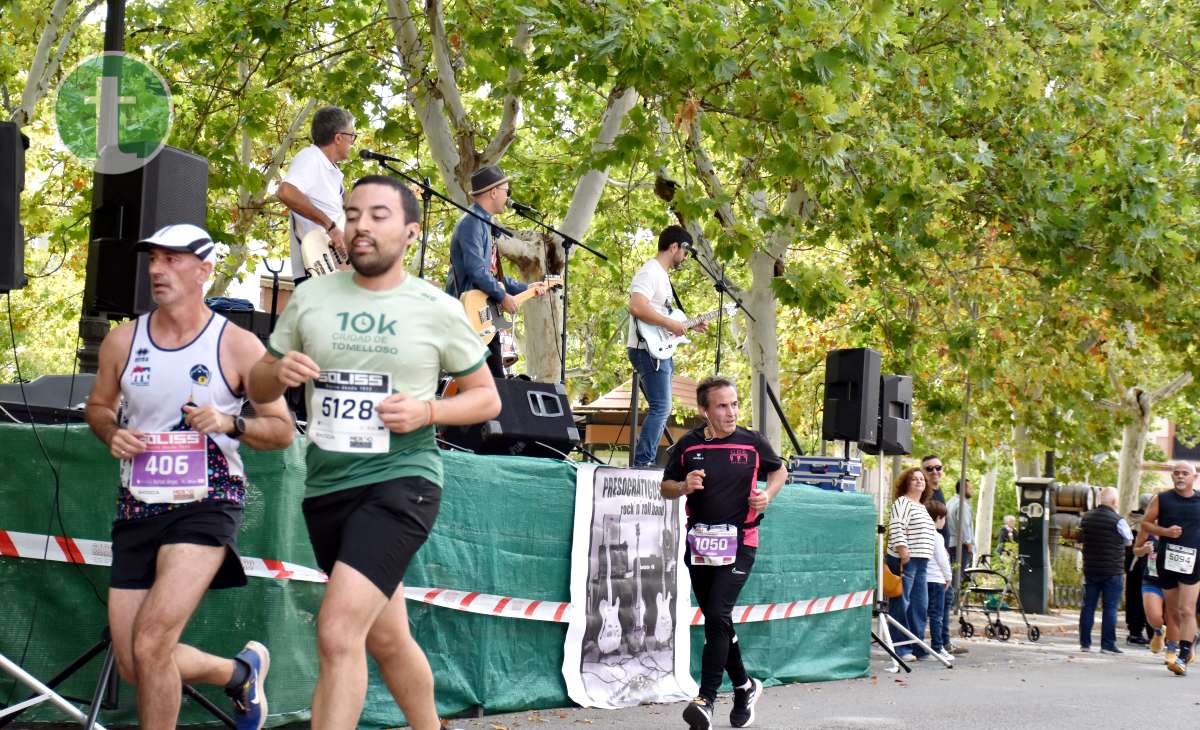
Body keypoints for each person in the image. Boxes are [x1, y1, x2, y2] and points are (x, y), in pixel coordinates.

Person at [248, 175, 501, 729]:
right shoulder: (312, 296)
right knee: (388, 637)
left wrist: (428, 411)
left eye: (379, 214)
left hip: (402, 479)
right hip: (327, 487)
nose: (362, 224)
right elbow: (258, 388)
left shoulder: (435, 307)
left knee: (339, 632)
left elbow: (486, 399)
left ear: (411, 231)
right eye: (353, 212)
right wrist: (276, 371)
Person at [84, 224, 295, 730]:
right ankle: (238, 673)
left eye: (173, 259)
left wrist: (229, 422)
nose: (158, 269)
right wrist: (110, 431)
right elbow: (97, 407)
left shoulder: (239, 346)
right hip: (138, 504)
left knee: (152, 642)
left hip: (208, 500)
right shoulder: (122, 340)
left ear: (204, 270)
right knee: (138, 662)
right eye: (153, 259)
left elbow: (283, 431)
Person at [660, 376, 785, 729]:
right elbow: (665, 487)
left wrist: (767, 495)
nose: (730, 412)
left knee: (717, 613)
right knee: (718, 619)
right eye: (722, 406)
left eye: (734, 404)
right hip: (699, 544)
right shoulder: (688, 445)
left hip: (740, 542)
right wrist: (684, 485)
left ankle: (706, 698)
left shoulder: (752, 442)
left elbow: (780, 471)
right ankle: (744, 686)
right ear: (704, 411)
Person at [444, 164, 547, 376]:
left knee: (494, 383)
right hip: (470, 314)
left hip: (484, 314)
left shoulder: (485, 223)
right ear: (493, 192)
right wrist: (502, 296)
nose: (508, 196)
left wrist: (525, 288)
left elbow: (492, 274)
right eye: (506, 191)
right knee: (487, 384)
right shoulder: (472, 223)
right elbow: (476, 270)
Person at [627, 225, 706, 467]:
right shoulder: (650, 272)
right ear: (674, 247)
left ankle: (644, 460)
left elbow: (663, 319)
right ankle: (643, 462)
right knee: (662, 407)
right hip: (646, 350)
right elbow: (637, 307)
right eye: (685, 251)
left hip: (656, 349)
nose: (685, 257)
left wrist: (688, 325)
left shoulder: (661, 275)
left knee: (661, 407)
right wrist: (670, 323)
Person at [1134, 462, 1200, 675]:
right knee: (1173, 612)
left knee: (1187, 610)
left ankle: (1182, 657)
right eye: (1176, 473)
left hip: (1193, 562)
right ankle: (1189, 640)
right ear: (1172, 477)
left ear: (1194, 477)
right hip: (1167, 562)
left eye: (1185, 473)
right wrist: (1164, 531)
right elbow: (1145, 524)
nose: (1180, 476)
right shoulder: (1162, 499)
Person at [277, 105, 356, 280]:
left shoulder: (332, 172)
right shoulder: (310, 157)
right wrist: (331, 227)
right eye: (352, 136)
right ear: (338, 138)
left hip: (335, 271)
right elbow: (285, 192)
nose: (353, 142)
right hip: (316, 270)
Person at [885, 466, 938, 662]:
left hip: (921, 562)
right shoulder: (903, 502)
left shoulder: (922, 507)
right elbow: (897, 524)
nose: (919, 481)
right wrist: (902, 550)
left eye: (921, 479)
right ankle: (902, 648)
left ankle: (919, 647)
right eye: (914, 479)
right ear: (907, 483)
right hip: (905, 559)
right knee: (902, 603)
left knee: (919, 605)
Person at [1078, 487, 1131, 654]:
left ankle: (1085, 644)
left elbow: (1080, 539)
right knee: (1110, 608)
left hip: (1091, 569)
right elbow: (1129, 540)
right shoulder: (1118, 520)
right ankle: (1107, 645)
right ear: (1115, 502)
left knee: (1088, 607)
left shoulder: (1086, 518)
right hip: (1112, 570)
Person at [924, 501, 954, 663]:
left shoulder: (924, 534)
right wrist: (948, 577)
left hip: (924, 579)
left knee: (924, 614)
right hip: (937, 580)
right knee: (937, 615)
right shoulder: (937, 536)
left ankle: (922, 646)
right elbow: (942, 560)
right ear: (937, 518)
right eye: (943, 519)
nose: (944, 522)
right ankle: (937, 647)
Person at [1135, 526, 1166, 653]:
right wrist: (1144, 549)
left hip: (1176, 580)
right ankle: (1159, 632)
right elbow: (1136, 551)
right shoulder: (1148, 529)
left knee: (1174, 618)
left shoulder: (1180, 528)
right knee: (1153, 616)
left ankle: (1172, 650)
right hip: (1151, 579)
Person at [1124, 509, 1150, 645]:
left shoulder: (1129, 522)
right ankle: (1140, 632)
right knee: (1141, 600)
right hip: (1143, 567)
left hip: (1131, 566)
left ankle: (1134, 632)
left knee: (1132, 598)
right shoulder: (1148, 524)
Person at [946, 477, 975, 585]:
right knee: (957, 578)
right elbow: (964, 525)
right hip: (960, 546)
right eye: (970, 488)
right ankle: (953, 601)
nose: (971, 491)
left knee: (951, 576)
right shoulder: (962, 504)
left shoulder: (950, 502)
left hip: (950, 544)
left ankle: (949, 600)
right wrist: (968, 543)